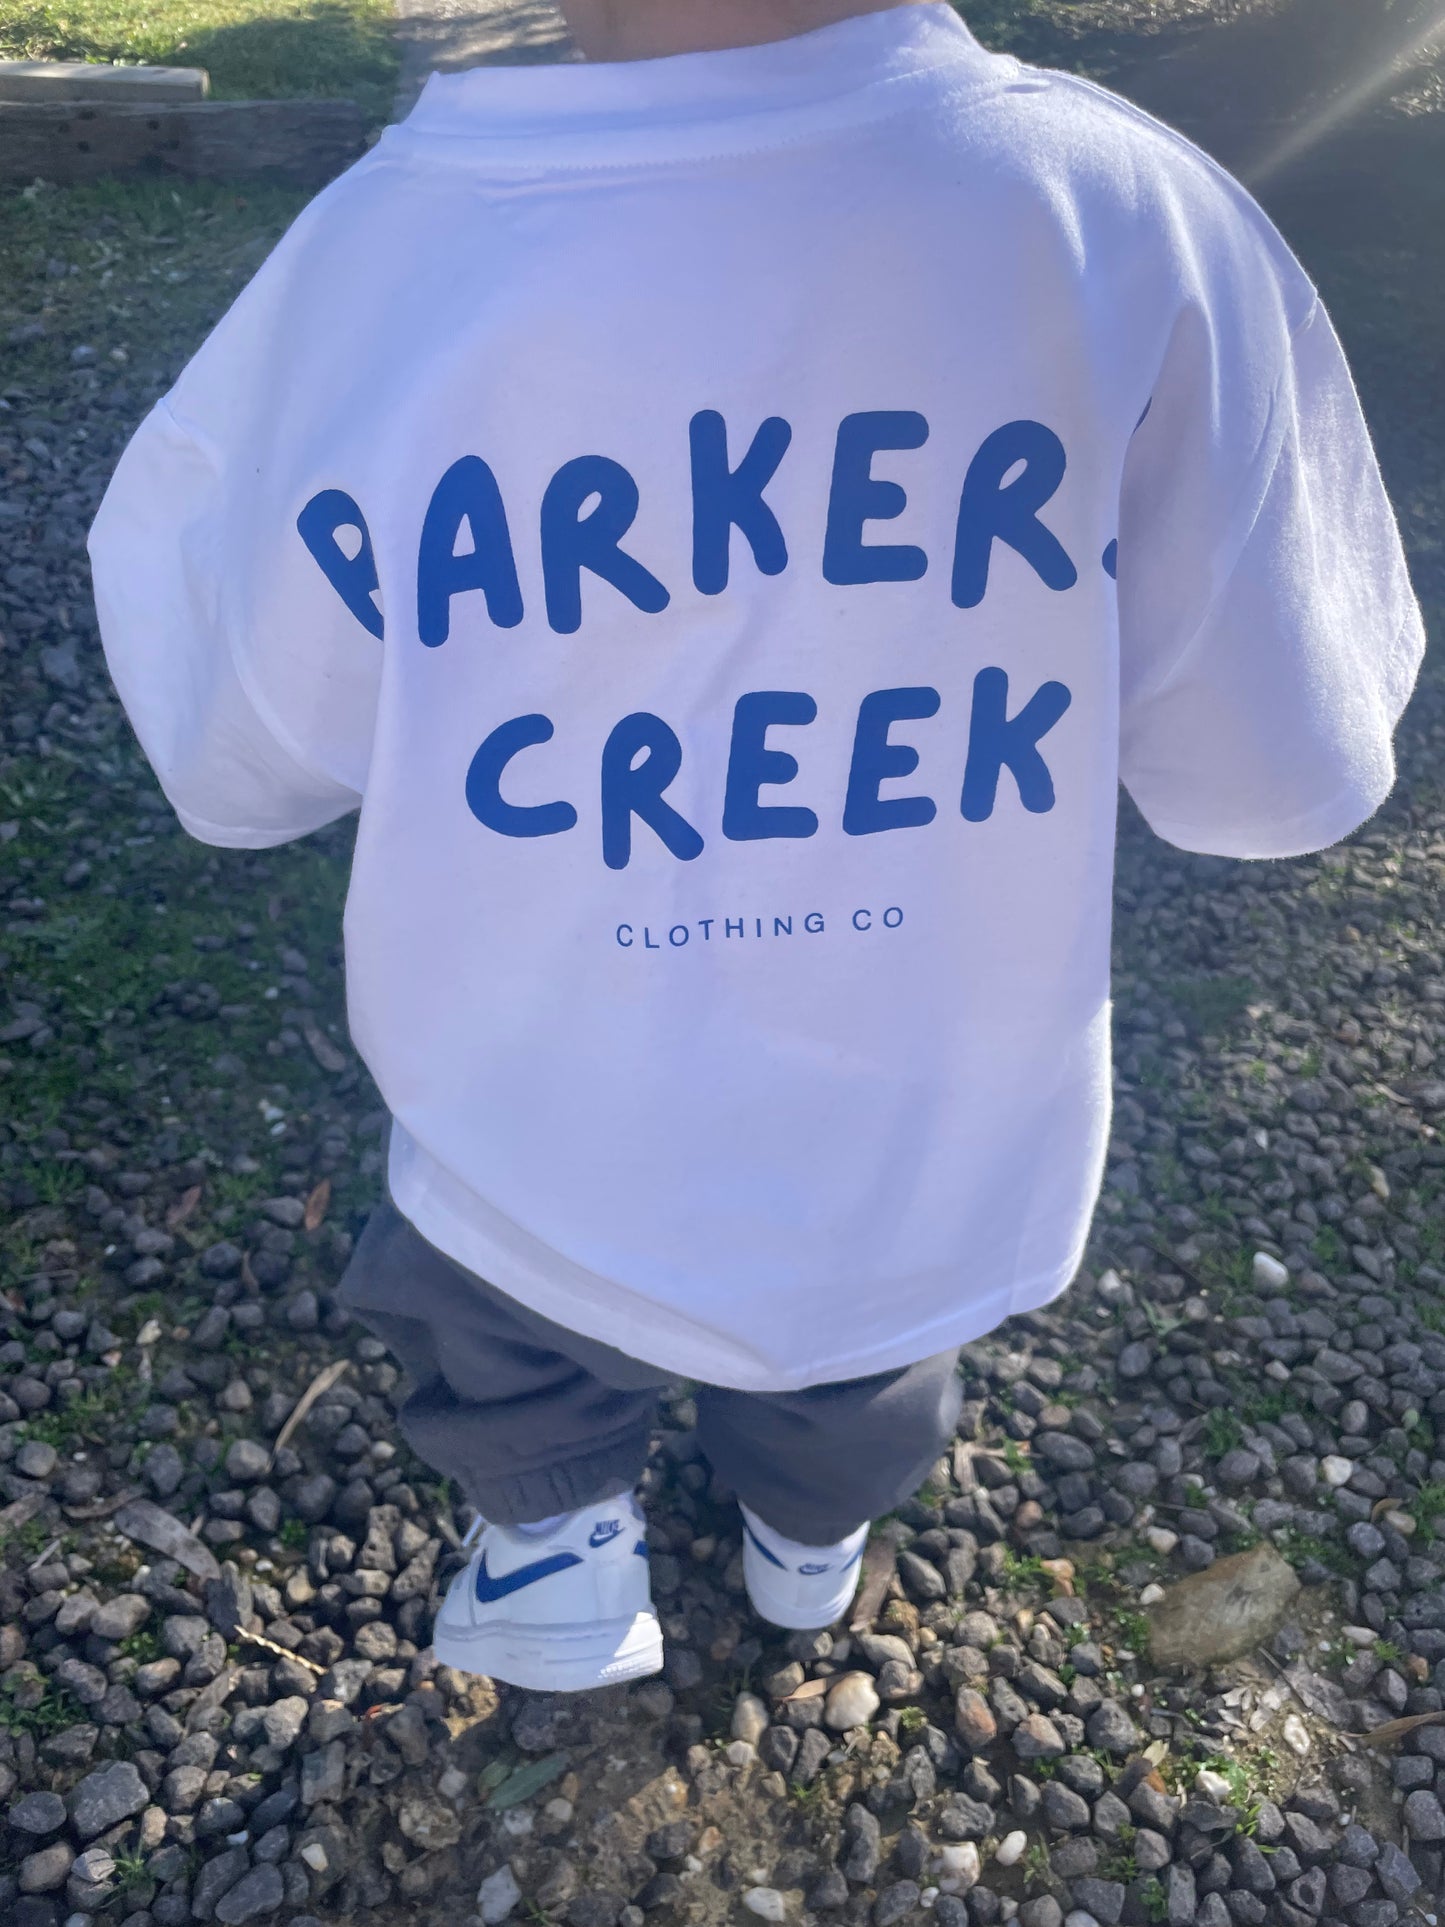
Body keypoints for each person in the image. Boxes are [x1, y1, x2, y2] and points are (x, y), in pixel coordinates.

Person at [88, 0, 1426, 1693]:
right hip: (930, 1121)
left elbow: (240, 745)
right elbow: (1271, 758)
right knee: (864, 1347)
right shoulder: (1118, 214)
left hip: (534, 1087)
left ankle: (556, 1543)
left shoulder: (383, 262)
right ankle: (808, 1542)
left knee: (507, 1310)